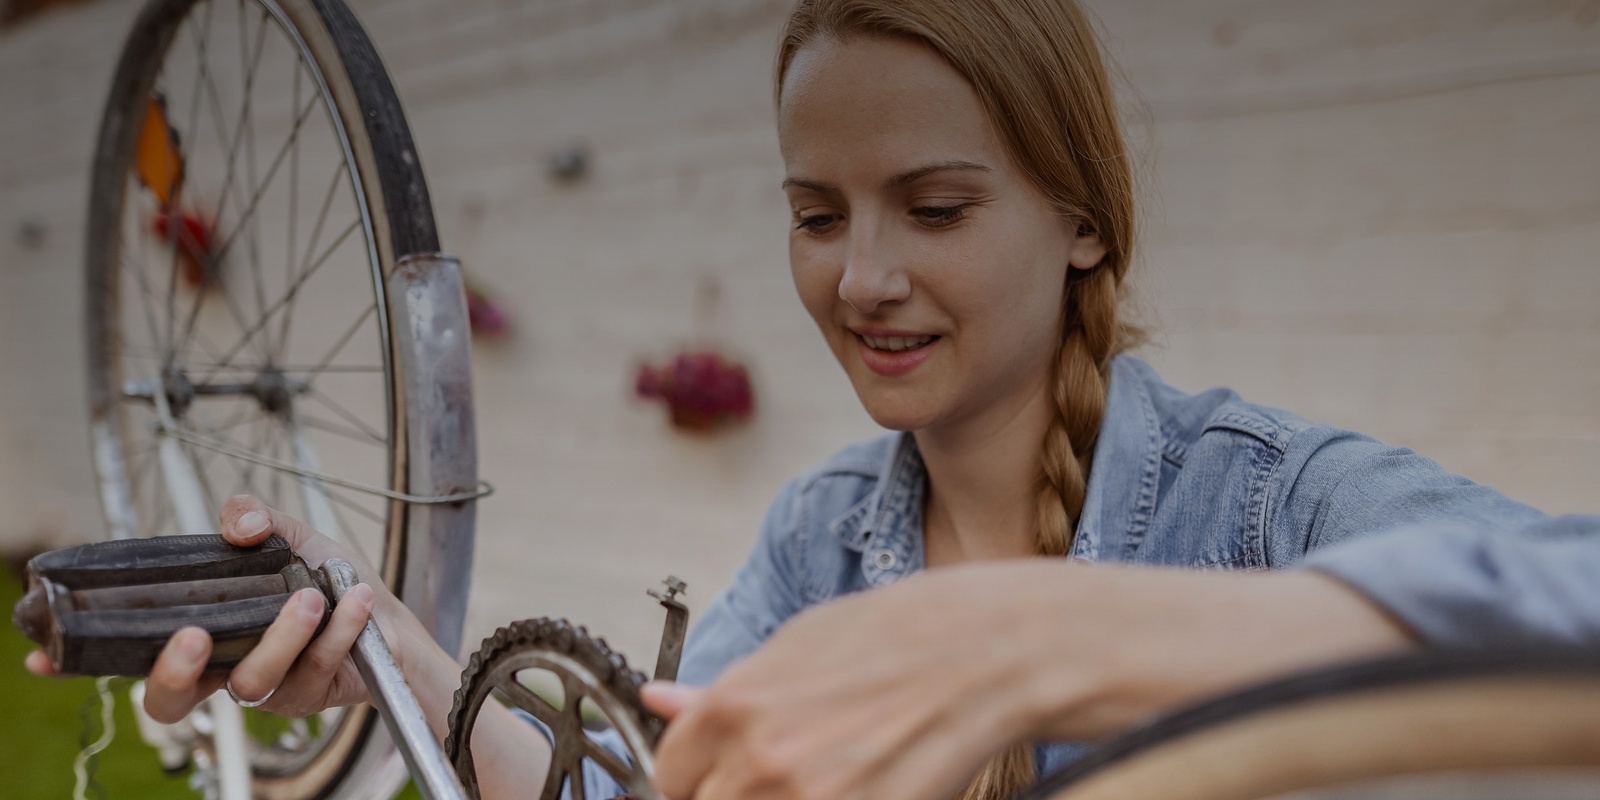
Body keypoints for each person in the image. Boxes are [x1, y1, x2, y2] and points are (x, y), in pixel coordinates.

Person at [27, 0, 1600, 799]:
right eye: (819, 213)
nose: (860, 281)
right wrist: (388, 651)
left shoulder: (1257, 500)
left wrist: (1059, 643)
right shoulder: (821, 541)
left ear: (1083, 218)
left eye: (932, 208)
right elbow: (660, 789)